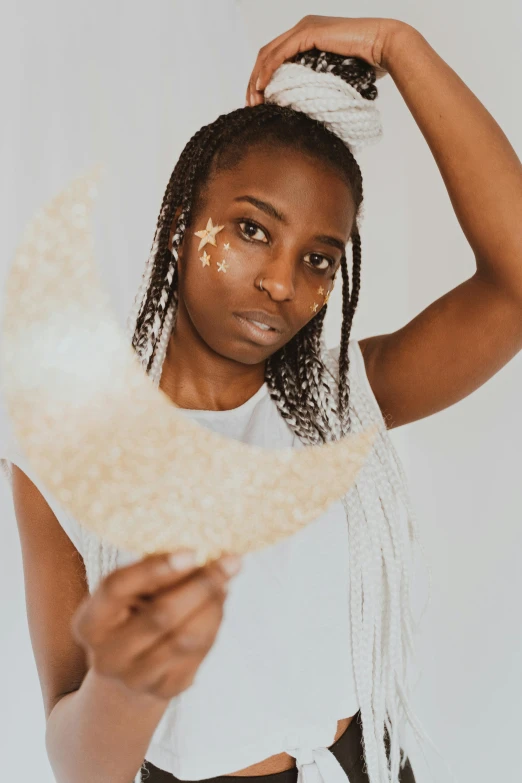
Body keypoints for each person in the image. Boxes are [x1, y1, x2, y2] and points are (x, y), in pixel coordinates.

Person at [1, 14, 521, 783]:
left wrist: (398, 47)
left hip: (366, 766)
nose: (283, 282)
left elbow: (514, 286)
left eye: (318, 258)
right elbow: (82, 769)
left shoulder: (343, 401)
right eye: (251, 229)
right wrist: (125, 683)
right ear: (182, 224)